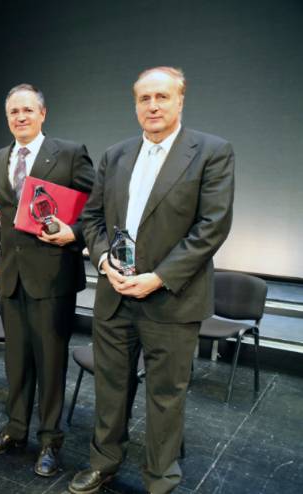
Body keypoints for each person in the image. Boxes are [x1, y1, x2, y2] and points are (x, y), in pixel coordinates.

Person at [69, 67, 235, 494]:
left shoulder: (212, 152)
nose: (153, 106)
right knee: (110, 388)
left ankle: (160, 478)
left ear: (180, 100)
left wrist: (158, 277)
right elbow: (92, 218)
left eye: (162, 97)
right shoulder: (115, 155)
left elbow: (212, 227)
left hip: (172, 299)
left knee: (165, 395)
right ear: (135, 104)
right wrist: (103, 260)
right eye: (145, 98)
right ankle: (104, 463)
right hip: (115, 294)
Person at [0, 83, 94, 478]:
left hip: (53, 277)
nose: (21, 117)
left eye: (28, 110)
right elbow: (4, 215)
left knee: (50, 364)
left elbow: (95, 207)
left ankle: (50, 441)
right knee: (16, 362)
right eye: (14, 111)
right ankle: (15, 430)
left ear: (43, 113)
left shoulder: (70, 153)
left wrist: (73, 233)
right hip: (12, 278)